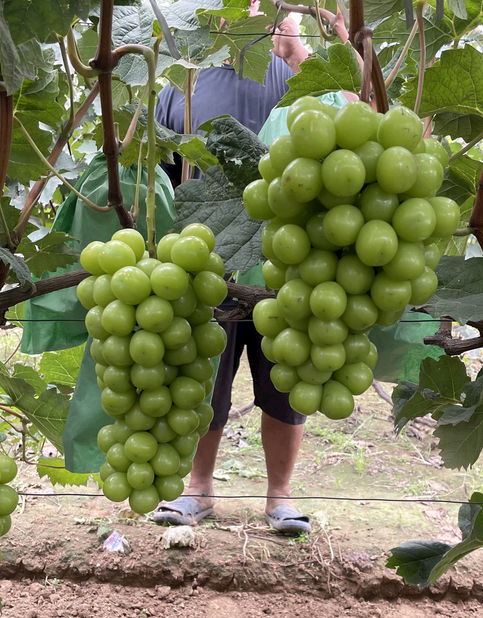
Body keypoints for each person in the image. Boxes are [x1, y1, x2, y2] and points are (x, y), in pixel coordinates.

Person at [151, 4, 348, 534]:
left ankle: (279, 496)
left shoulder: (300, 71)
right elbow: (163, 176)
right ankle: (198, 489)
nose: (249, 12)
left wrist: (297, 50)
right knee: (203, 376)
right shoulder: (182, 81)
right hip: (205, 259)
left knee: (286, 381)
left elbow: (352, 123)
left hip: (290, 261)